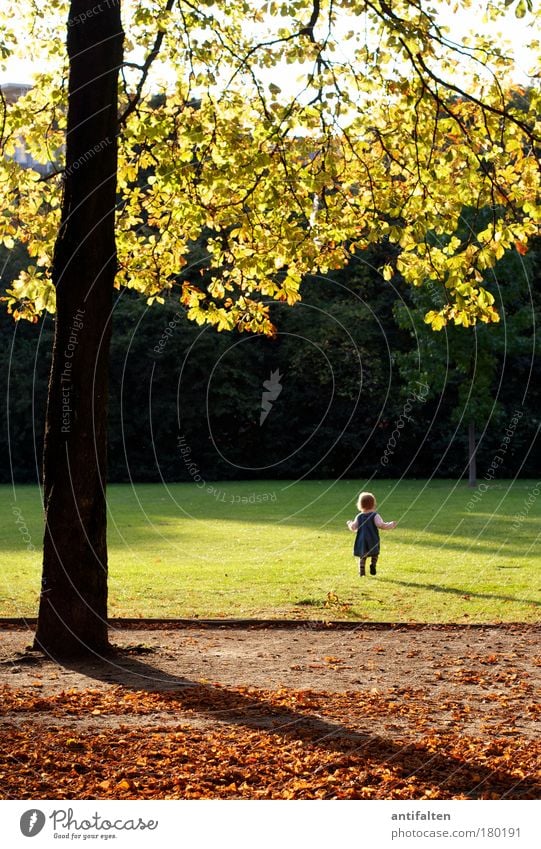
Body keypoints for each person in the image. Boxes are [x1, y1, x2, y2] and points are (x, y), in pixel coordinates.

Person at [346, 491, 397, 577]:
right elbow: (381, 525)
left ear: (360, 504)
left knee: (362, 555)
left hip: (362, 539)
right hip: (373, 539)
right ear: (373, 504)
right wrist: (390, 525)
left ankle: (362, 571)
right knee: (375, 553)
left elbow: (354, 527)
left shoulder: (359, 516)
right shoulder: (375, 515)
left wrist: (349, 523)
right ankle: (373, 564)